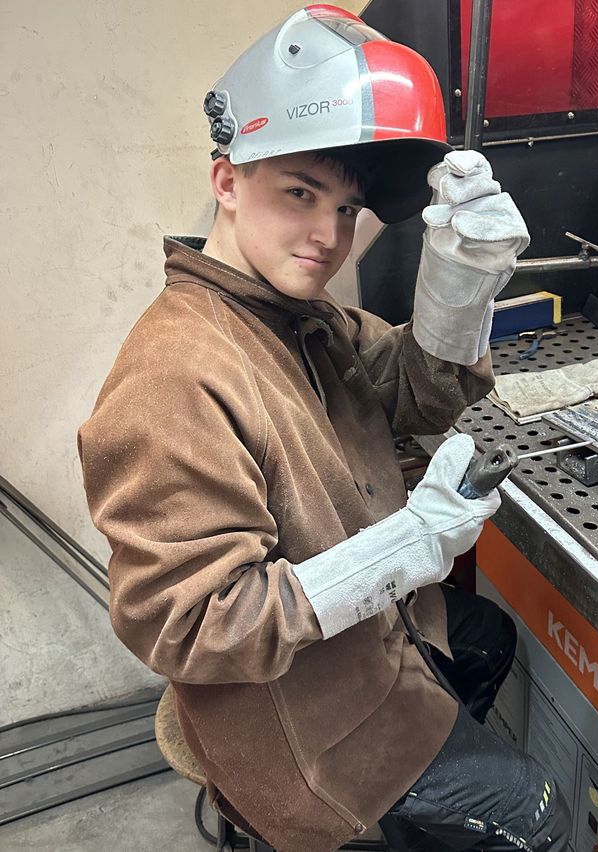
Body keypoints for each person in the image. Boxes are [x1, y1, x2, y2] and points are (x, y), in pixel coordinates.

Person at [77, 6, 571, 850]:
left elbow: (416, 395)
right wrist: (405, 547)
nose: (329, 236)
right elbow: (195, 624)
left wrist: (460, 283)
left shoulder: (301, 322)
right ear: (227, 181)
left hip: (370, 646)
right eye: (299, 194)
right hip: (299, 717)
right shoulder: (175, 376)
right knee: (538, 814)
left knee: (486, 639)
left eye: (345, 209)